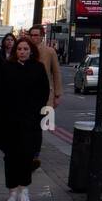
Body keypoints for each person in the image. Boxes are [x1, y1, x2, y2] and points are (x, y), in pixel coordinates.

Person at [0, 36, 49, 201]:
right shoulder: (6, 67)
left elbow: (43, 92)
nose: (22, 52)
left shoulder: (38, 68)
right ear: (15, 51)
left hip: (29, 120)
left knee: (26, 156)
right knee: (11, 157)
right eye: (19, 49)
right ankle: (12, 192)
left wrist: (36, 112)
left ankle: (24, 191)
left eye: (25, 49)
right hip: (8, 120)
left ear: (31, 51)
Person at [26, 25, 61, 172]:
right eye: (31, 35)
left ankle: (35, 155)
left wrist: (57, 95)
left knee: (39, 127)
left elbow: (56, 73)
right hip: (27, 96)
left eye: (36, 35)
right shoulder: (24, 50)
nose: (34, 38)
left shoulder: (49, 51)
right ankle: (28, 154)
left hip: (45, 96)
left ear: (42, 36)